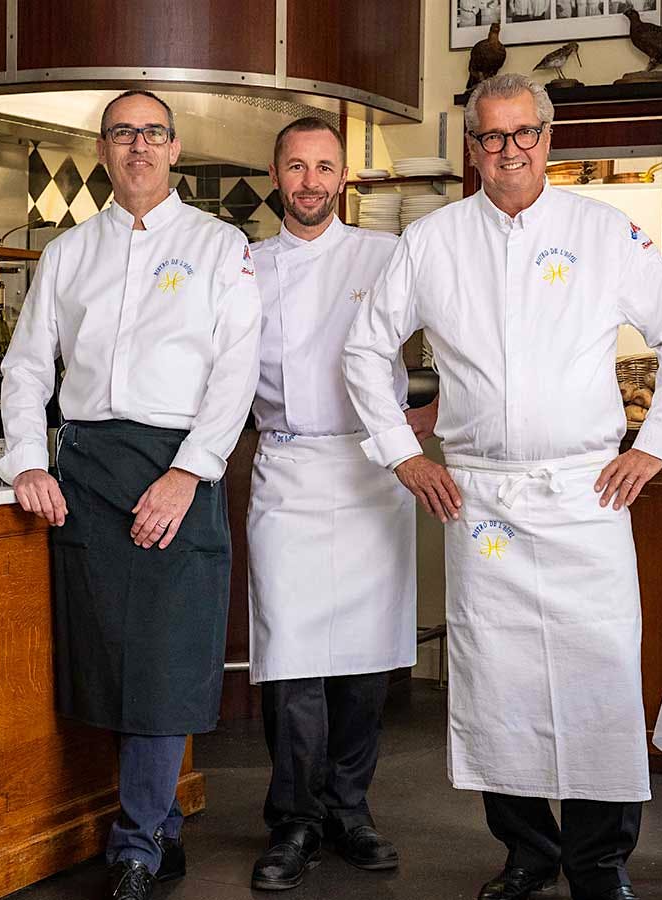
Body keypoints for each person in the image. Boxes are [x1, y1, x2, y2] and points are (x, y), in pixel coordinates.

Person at [343, 72, 662, 900]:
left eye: (522, 134)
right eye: (490, 138)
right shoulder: (432, 241)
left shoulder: (605, 231)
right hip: (482, 501)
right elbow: (365, 351)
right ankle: (527, 851)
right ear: (473, 148)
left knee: (599, 674)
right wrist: (404, 453)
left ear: (549, 139)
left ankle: (598, 861)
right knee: (496, 678)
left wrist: (655, 444)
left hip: (588, 494)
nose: (507, 151)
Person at [0, 90, 261, 900]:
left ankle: (137, 845)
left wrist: (188, 473)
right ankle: (159, 827)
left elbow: (236, 369)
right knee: (107, 659)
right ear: (104, 151)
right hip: (86, 469)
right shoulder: (67, 254)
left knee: (165, 658)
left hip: (178, 461)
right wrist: (24, 463)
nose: (139, 147)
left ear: (175, 149)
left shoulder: (220, 246)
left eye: (153, 133)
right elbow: (28, 367)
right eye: (123, 134)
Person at [244, 116, 434, 892]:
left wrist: (434, 417)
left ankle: (349, 807)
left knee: (363, 659)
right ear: (276, 174)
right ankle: (294, 817)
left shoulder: (387, 255)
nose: (311, 181)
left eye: (325, 167)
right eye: (297, 166)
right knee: (290, 655)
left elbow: (465, 337)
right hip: (286, 464)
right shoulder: (244, 264)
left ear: (343, 179)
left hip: (368, 466)